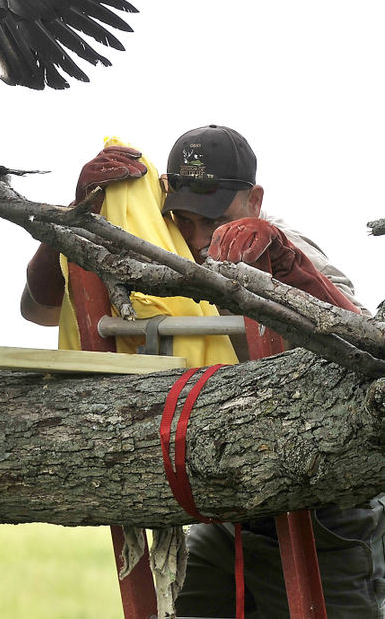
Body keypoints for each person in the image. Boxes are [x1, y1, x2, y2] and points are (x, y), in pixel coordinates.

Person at [21, 124, 385, 617]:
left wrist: (285, 264)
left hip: (323, 515)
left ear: (254, 200)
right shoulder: (160, 255)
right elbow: (40, 311)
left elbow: (365, 350)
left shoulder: (289, 248)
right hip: (225, 506)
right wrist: (76, 214)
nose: (198, 238)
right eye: (185, 219)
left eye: (214, 221)